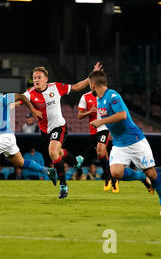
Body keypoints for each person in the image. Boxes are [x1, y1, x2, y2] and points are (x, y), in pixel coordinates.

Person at [14, 63, 102, 199]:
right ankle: (75, 161)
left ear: (46, 79)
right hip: (45, 131)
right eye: (34, 77)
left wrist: (92, 75)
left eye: (39, 77)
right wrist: (5, 104)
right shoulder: (30, 94)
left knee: (53, 152)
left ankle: (63, 185)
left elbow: (77, 87)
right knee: (58, 153)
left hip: (59, 126)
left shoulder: (55, 87)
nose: (36, 80)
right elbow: (18, 101)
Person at [89, 69, 161, 216]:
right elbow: (111, 119)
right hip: (119, 143)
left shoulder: (113, 95)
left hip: (135, 141)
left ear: (93, 84)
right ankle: (141, 177)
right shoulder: (99, 100)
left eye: (90, 83)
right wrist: (110, 132)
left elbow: (122, 115)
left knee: (152, 173)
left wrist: (101, 121)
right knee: (115, 172)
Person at [78, 90, 118, 192]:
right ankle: (114, 179)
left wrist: (112, 129)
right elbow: (79, 115)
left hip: (104, 128)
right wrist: (89, 112)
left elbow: (114, 112)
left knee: (100, 150)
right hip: (93, 131)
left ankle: (107, 178)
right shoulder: (85, 97)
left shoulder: (108, 95)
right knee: (103, 154)